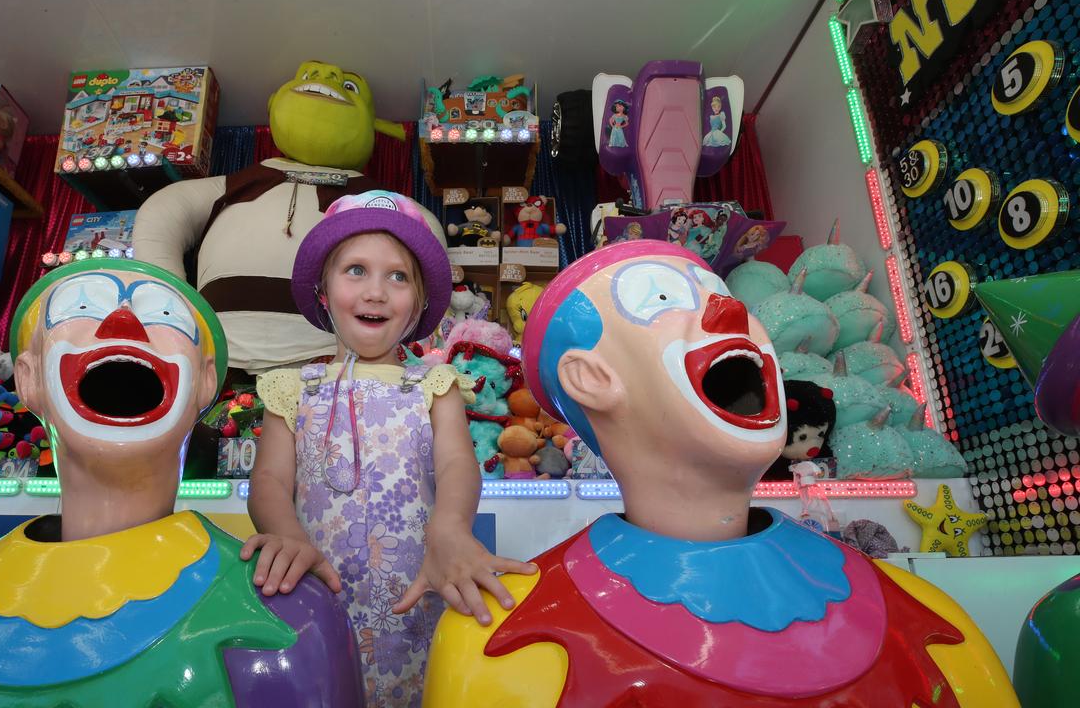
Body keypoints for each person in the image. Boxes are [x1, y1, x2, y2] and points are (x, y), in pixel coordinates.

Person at [423, 240, 1017, 707]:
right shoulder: (496, 641)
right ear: (591, 379)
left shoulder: (929, 623)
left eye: (717, 290)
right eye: (660, 300)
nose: (730, 308)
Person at [0, 259, 364, 707]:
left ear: (205, 386)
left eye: (163, 317)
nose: (124, 327)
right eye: (81, 309)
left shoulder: (290, 625)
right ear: (27, 380)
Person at [247, 190, 536, 707]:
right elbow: (268, 481)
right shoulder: (293, 388)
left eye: (397, 276)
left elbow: (456, 465)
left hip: (417, 598)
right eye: (355, 270)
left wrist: (449, 529)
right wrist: (287, 537)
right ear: (322, 290)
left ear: (420, 303)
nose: (376, 292)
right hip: (317, 598)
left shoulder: (434, 384)